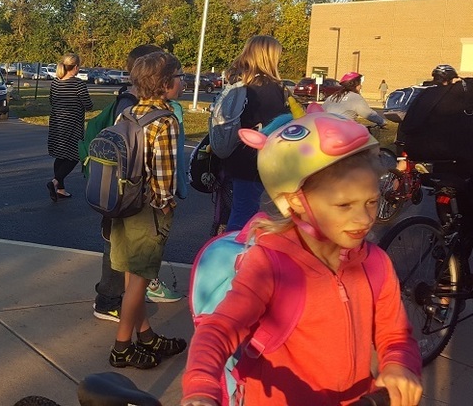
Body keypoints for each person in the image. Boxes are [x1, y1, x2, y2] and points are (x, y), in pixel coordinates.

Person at [181, 110, 423, 406]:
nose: (364, 219)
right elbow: (218, 330)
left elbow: (396, 335)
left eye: (371, 201)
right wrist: (202, 389)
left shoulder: (375, 263)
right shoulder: (271, 265)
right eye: (344, 205)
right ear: (296, 200)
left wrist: (399, 365)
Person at [107, 51, 186, 369]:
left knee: (132, 279)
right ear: (165, 84)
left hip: (122, 204)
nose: (183, 82)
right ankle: (121, 348)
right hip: (148, 211)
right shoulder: (165, 121)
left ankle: (146, 335)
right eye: (180, 76)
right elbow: (164, 178)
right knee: (139, 282)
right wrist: (167, 206)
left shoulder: (126, 114)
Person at [397, 64, 473, 281]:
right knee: (467, 221)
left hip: (435, 167)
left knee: (451, 223)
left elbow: (407, 128)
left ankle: (447, 259)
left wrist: (402, 158)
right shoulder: (464, 97)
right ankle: (452, 274)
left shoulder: (426, 95)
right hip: (462, 167)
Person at [221, 35, 287, 232]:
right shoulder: (268, 87)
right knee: (245, 217)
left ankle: (231, 243)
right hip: (255, 159)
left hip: (235, 153)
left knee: (238, 210)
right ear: (268, 56)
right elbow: (276, 124)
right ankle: (234, 250)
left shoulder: (238, 82)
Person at [46, 53, 92, 201]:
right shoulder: (78, 84)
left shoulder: (55, 83)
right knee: (75, 156)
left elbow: (52, 101)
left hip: (57, 124)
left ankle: (60, 189)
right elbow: (88, 105)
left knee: (60, 155)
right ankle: (55, 182)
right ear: (76, 67)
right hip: (72, 124)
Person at [320, 72, 385, 127]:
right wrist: (382, 122)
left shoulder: (333, 96)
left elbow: (321, 111)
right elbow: (368, 114)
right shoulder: (355, 98)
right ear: (354, 85)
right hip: (343, 131)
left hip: (324, 128)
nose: (361, 86)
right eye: (359, 84)